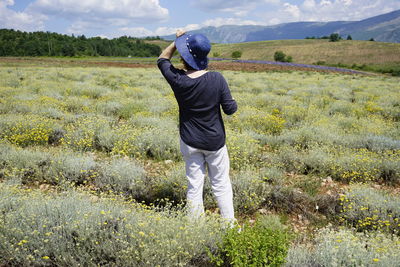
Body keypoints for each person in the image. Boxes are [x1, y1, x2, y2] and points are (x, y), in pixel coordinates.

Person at [157, 30, 237, 223]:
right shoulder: (217, 79)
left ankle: (196, 228)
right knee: (221, 185)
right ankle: (230, 228)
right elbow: (230, 110)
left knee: (194, 186)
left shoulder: (178, 79)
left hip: (190, 141)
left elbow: (162, 59)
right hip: (214, 142)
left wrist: (177, 42)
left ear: (184, 56)